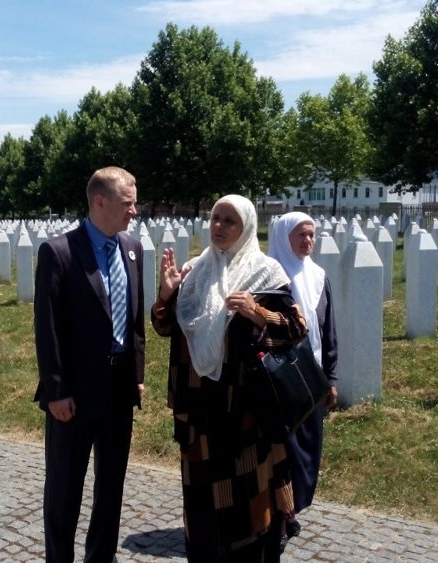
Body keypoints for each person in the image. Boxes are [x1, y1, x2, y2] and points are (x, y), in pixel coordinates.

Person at [152, 194, 305, 562]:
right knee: (203, 504)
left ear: (247, 227)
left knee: (246, 506)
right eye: (215, 219)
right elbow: (164, 327)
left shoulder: (266, 274)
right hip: (198, 412)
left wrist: (257, 313)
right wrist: (166, 295)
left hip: (246, 414)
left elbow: (296, 329)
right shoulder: (194, 271)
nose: (219, 227)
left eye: (229, 221)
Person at [33, 166, 146, 563]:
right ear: (100, 202)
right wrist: (56, 390)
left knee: (111, 485)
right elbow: (48, 330)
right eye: (128, 203)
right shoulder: (60, 252)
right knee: (65, 487)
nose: (135, 211)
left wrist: (138, 375)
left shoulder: (132, 248)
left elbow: (134, 322)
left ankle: (101, 557)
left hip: (118, 389)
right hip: (74, 394)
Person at [267, 212, 338, 548]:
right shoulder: (270, 276)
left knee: (309, 450)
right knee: (286, 452)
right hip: (282, 380)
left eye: (311, 235)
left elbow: (328, 330)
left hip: (313, 378)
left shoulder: (320, 276)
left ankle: (292, 510)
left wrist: (331, 377)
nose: (308, 242)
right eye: (301, 235)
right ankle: (279, 518)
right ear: (285, 237)